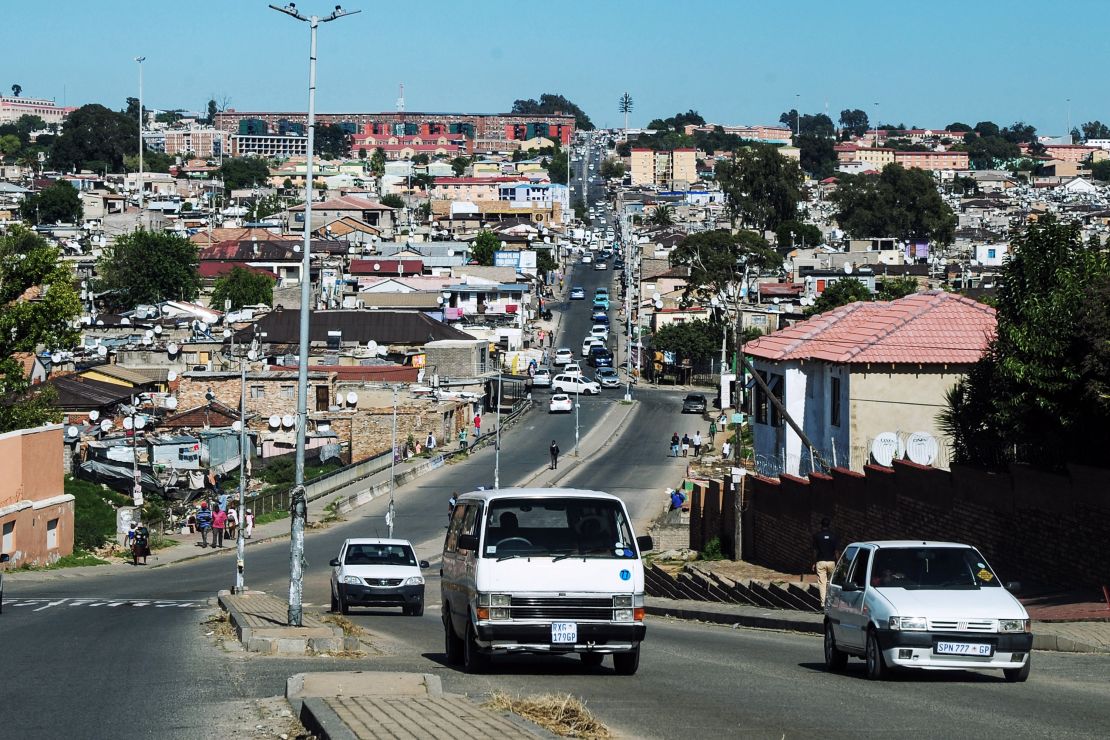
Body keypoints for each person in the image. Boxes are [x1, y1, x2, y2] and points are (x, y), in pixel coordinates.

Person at [813, 517, 840, 605]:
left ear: (821, 525)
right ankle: (831, 602)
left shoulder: (817, 536)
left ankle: (823, 603)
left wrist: (814, 562)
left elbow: (815, 551)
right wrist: (838, 562)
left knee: (822, 583)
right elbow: (836, 551)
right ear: (829, 525)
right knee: (831, 582)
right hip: (831, 562)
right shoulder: (834, 536)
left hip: (820, 562)